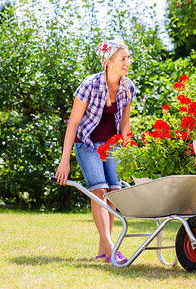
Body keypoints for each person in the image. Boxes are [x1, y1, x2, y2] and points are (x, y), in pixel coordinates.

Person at [55, 39, 136, 264]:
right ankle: (111, 248)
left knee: (113, 193)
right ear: (108, 62)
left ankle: (103, 248)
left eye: (128, 57)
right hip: (87, 143)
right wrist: (65, 161)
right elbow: (73, 123)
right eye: (123, 59)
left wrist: (129, 157)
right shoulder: (89, 85)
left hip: (111, 145)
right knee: (99, 190)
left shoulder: (128, 87)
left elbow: (125, 126)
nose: (127, 62)